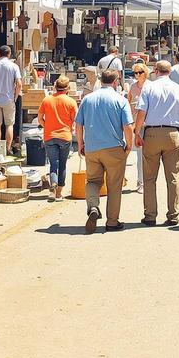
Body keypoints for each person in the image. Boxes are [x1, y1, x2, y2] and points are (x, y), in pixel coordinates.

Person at [133, 60, 179, 227]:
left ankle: (150, 215)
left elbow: (141, 112)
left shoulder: (149, 88)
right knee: (173, 177)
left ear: (156, 71)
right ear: (170, 72)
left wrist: (137, 132)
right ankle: (173, 214)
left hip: (151, 133)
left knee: (150, 177)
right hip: (173, 133)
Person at [75, 69, 134, 234]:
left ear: (101, 81)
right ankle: (112, 222)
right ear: (115, 82)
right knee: (114, 185)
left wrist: (80, 143)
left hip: (92, 148)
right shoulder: (120, 100)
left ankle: (93, 206)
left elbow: (78, 124)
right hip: (114, 148)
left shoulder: (88, 99)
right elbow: (128, 126)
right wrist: (129, 145)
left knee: (93, 181)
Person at [37, 75, 78, 201]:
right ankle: (59, 193)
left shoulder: (47, 100)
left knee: (53, 163)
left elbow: (39, 118)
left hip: (49, 136)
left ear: (55, 87)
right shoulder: (71, 102)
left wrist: (46, 126)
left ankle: (52, 186)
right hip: (65, 136)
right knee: (63, 164)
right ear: (67, 88)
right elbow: (75, 120)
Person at [127, 62, 149, 193]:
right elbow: (128, 103)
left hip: (149, 124)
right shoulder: (133, 86)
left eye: (140, 72)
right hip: (137, 125)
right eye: (135, 73)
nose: (137, 75)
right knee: (140, 155)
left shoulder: (150, 86)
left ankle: (148, 180)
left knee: (149, 155)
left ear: (145, 73)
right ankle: (141, 182)